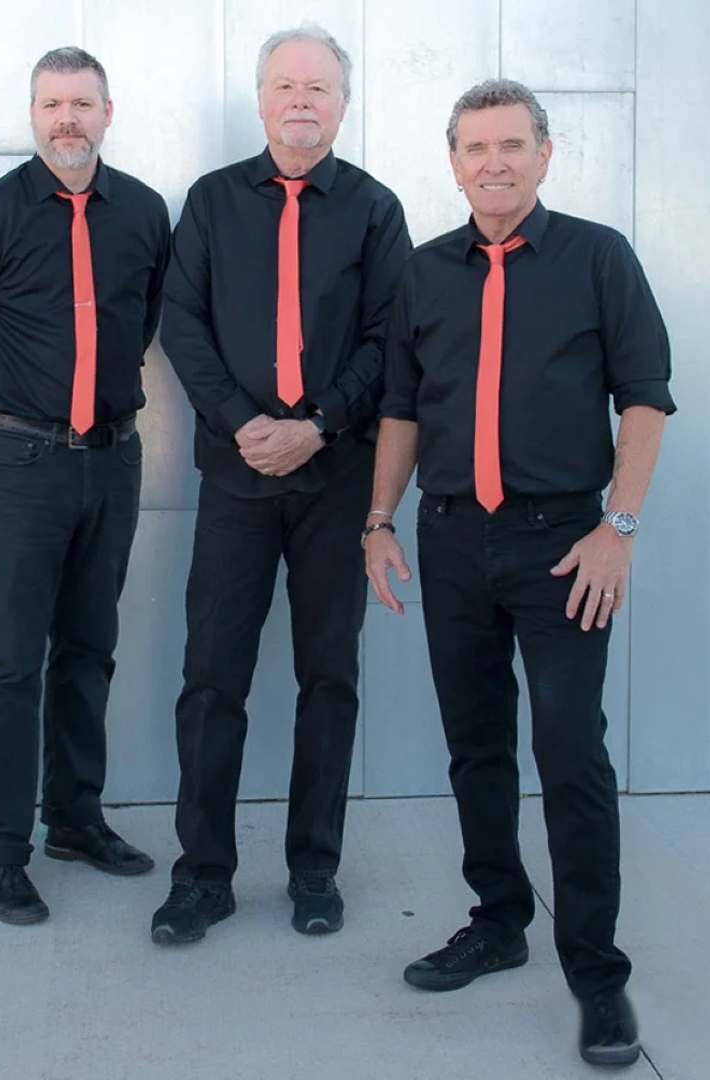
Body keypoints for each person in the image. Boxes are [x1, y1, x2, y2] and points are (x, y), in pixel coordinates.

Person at [365, 79, 673, 1067]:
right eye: (475, 147)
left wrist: (619, 527)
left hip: (564, 546)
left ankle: (597, 976)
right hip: (453, 539)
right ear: (453, 163)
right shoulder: (424, 272)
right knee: (477, 746)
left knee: (572, 749)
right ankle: (499, 920)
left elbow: (644, 398)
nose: (493, 162)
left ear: (544, 154)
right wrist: (379, 521)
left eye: (511, 145)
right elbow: (402, 409)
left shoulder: (598, 257)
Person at [150, 25, 411, 945]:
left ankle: (314, 870)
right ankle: (202, 877)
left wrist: (319, 423)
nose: (302, 100)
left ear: (343, 103)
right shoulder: (213, 201)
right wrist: (243, 424)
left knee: (328, 678)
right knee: (211, 679)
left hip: (336, 482)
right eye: (286, 85)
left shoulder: (374, 209)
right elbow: (181, 321)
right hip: (237, 480)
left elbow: (390, 336)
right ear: (262, 100)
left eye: (319, 87)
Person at [0, 47, 170, 926]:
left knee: (89, 648)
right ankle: (1, 853)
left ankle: (74, 819)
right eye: (51, 104)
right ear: (33, 115)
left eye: (81, 103)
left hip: (112, 460)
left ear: (108, 111)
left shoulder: (142, 211)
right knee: (11, 662)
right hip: (21, 465)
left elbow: (142, 319)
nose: (67, 119)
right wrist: (13, 395)